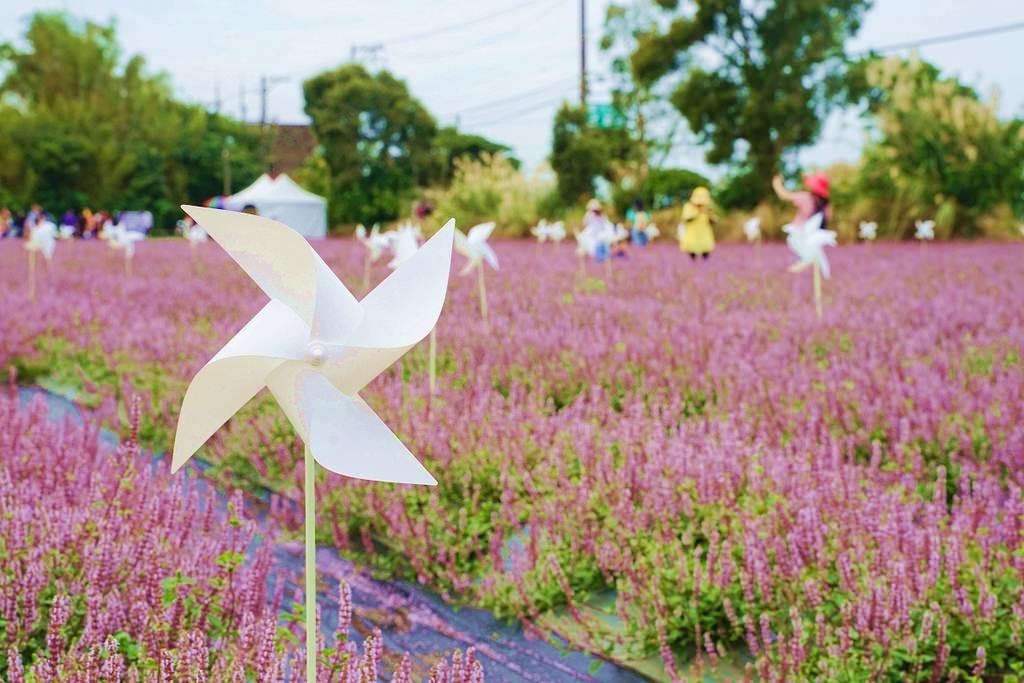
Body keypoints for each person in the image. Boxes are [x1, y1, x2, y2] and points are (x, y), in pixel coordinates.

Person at [679, 187, 716, 260]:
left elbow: (714, 221)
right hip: (692, 234)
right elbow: (685, 219)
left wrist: (708, 213)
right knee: (692, 252)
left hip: (704, 234)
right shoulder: (688, 206)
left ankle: (704, 266)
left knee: (706, 252)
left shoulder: (708, 208)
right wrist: (698, 211)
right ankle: (693, 265)